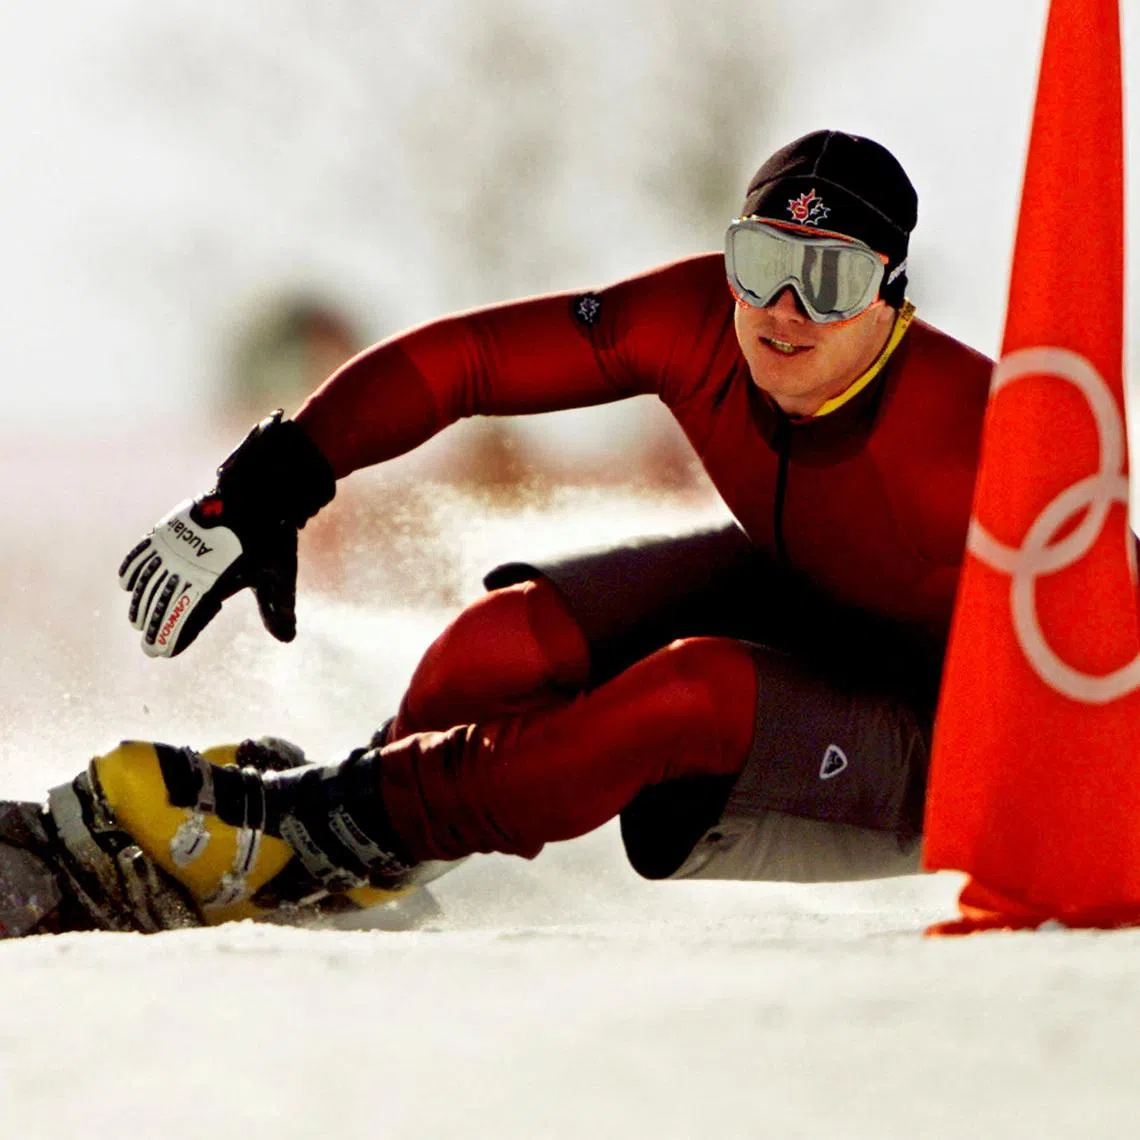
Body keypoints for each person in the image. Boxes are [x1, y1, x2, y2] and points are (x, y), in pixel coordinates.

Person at [0, 130, 997, 937]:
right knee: (504, 640)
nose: (784, 310)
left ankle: (312, 829)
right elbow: (469, 361)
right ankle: (350, 842)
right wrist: (272, 482)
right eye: (763, 261)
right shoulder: (696, 318)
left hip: (952, 727)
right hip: (804, 586)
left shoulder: (969, 435)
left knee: (689, 693)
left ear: (893, 299)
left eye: (830, 281)